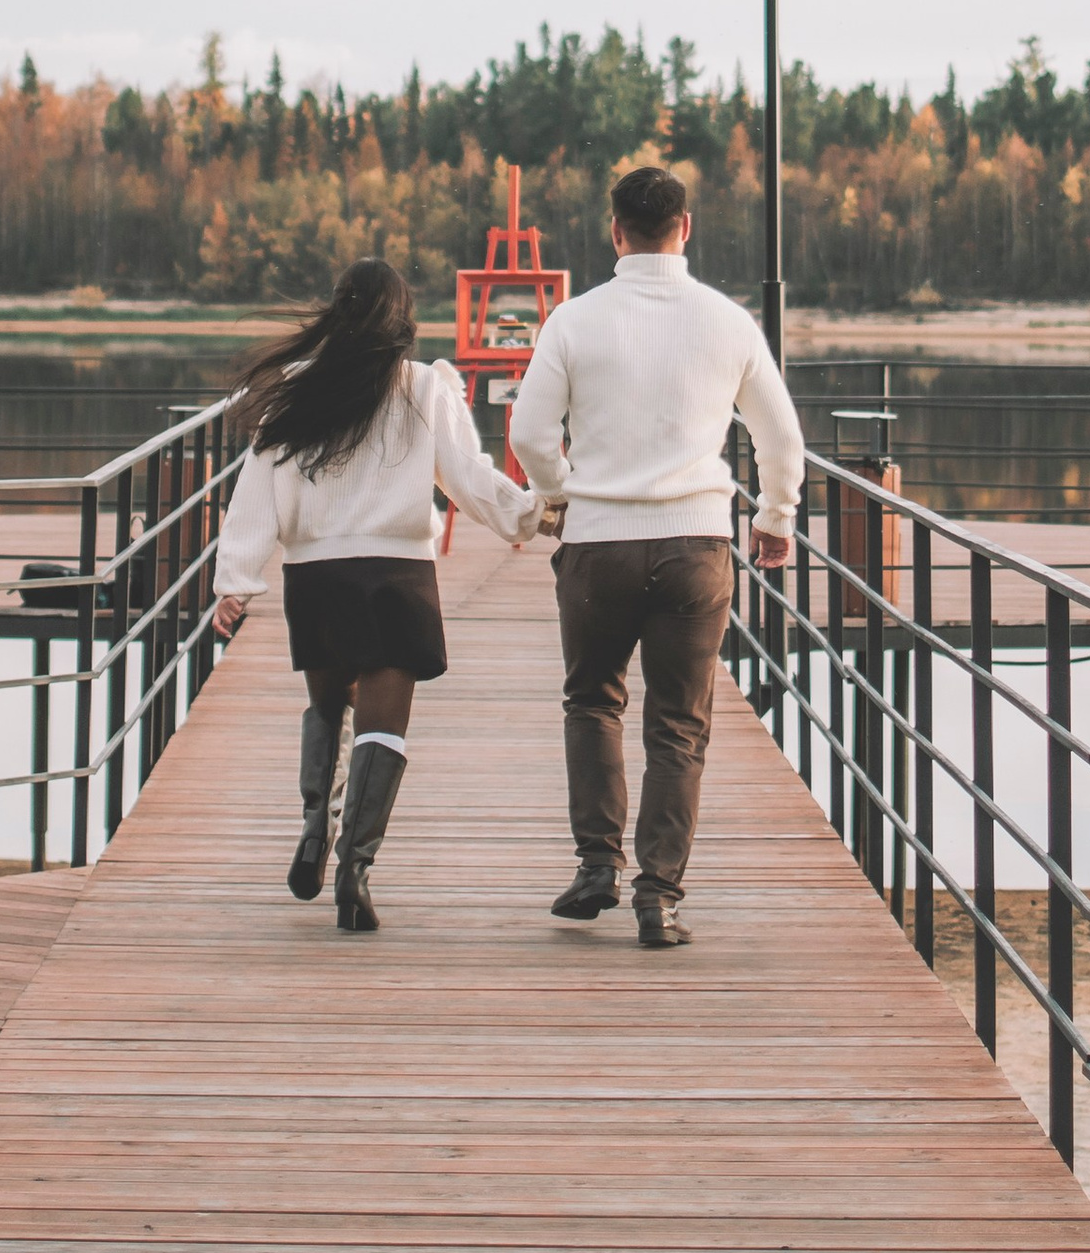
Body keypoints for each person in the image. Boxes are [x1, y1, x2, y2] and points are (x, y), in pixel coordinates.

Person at [507, 164, 802, 950]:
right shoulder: (728, 321)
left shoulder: (573, 320)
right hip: (695, 544)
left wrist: (564, 493)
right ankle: (659, 897)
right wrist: (775, 517)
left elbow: (529, 435)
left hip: (599, 545)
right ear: (686, 226)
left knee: (593, 702)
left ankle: (595, 865)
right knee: (679, 726)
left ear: (615, 232)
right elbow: (780, 438)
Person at [211, 257, 543, 932]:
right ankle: (354, 871)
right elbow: (467, 478)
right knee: (383, 730)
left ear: (339, 311)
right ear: (403, 317)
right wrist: (530, 515)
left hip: (318, 577)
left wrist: (235, 582)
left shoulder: (294, 389)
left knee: (329, 708)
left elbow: (256, 496)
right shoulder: (422, 387)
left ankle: (314, 825)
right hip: (396, 579)